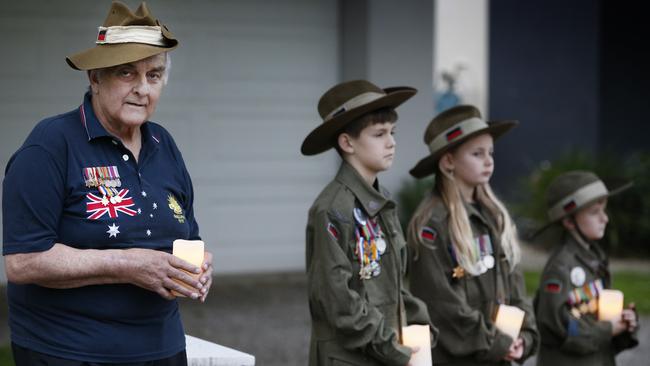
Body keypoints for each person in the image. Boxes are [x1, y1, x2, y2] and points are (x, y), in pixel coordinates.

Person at [2, 2, 213, 365]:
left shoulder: (165, 145)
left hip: (161, 348)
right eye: (126, 73)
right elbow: (23, 262)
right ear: (95, 78)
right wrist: (127, 264)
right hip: (69, 351)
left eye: (154, 75)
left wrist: (199, 265)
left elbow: (187, 237)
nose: (142, 89)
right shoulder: (52, 144)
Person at [301, 80, 437, 365]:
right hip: (350, 358)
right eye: (379, 134)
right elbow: (337, 300)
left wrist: (420, 324)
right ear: (347, 142)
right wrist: (392, 348)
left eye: (392, 132)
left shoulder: (381, 202)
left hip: (381, 351)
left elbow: (392, 286)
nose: (392, 142)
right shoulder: (333, 209)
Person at [406, 105, 539, 365]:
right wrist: (498, 342)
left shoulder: (495, 217)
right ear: (448, 161)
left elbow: (517, 288)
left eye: (491, 152)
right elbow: (442, 306)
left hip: (499, 355)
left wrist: (525, 337)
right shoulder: (432, 224)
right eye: (477, 153)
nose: (489, 160)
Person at [533, 171, 639, 365]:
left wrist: (623, 322)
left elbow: (592, 313)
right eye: (594, 212)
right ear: (568, 221)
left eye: (604, 210)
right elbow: (557, 327)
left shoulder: (594, 258)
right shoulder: (560, 267)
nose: (604, 219)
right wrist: (608, 329)